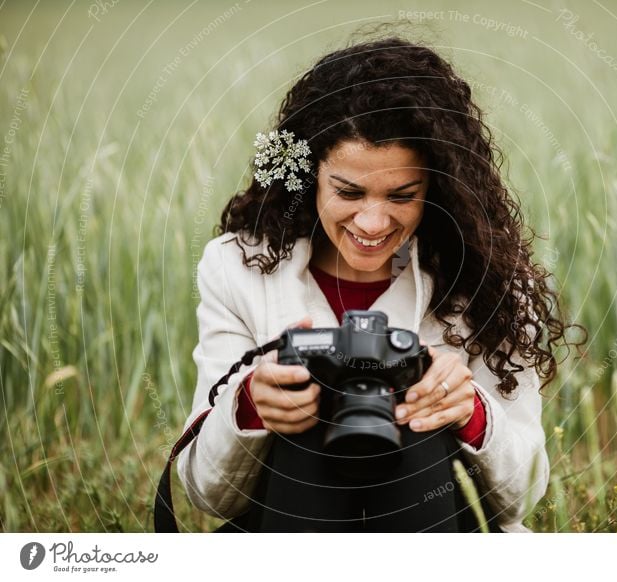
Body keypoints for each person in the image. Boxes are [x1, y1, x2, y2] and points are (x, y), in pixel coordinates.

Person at [176, 35, 577, 533]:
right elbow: (206, 492)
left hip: (437, 520)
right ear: (308, 176)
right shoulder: (236, 268)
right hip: (293, 517)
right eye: (348, 191)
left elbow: (521, 496)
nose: (371, 223)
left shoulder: (486, 279)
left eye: (402, 195)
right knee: (310, 408)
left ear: (439, 187)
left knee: (414, 417)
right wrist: (251, 406)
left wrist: (471, 412)